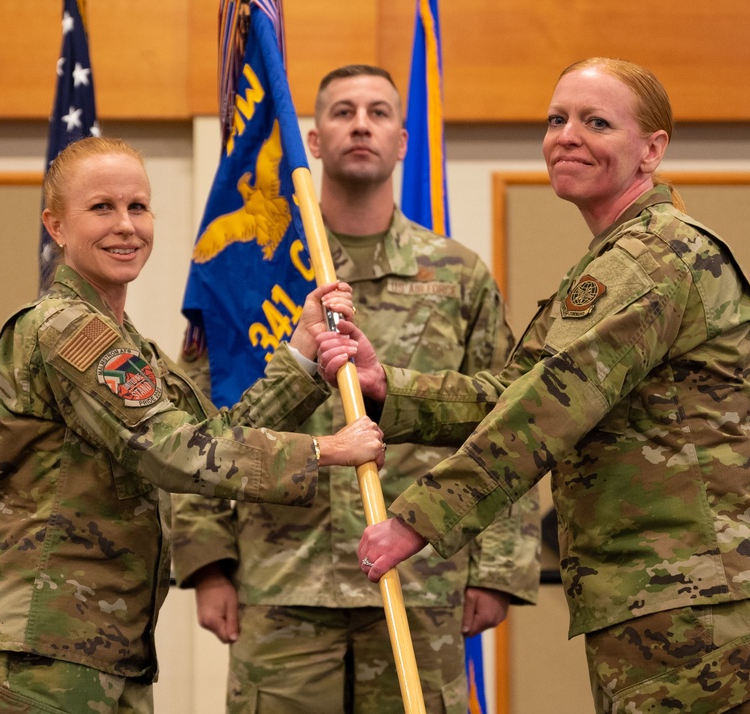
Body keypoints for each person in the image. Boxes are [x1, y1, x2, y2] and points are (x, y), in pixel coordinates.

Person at [322, 58, 750, 714]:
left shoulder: (660, 256)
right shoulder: (609, 263)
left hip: (700, 601)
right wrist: (391, 390)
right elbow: (511, 393)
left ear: (652, 150)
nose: (567, 135)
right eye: (557, 119)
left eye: (596, 122)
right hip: (655, 597)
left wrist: (418, 519)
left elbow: (553, 405)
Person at [0, 136, 385, 714]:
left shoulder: (130, 345)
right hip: (39, 655)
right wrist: (325, 451)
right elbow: (171, 450)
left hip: (104, 650)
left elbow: (213, 434)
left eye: (138, 207)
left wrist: (301, 356)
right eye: (102, 207)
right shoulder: (64, 329)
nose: (126, 226)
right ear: (55, 226)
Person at [171, 65, 540, 714]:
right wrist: (206, 564)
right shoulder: (254, 276)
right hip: (282, 580)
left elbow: (503, 423)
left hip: (420, 578)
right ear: (312, 142)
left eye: (378, 112)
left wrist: (499, 569)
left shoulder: (457, 276)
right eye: (343, 112)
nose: (361, 124)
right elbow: (197, 421)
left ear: (404, 141)